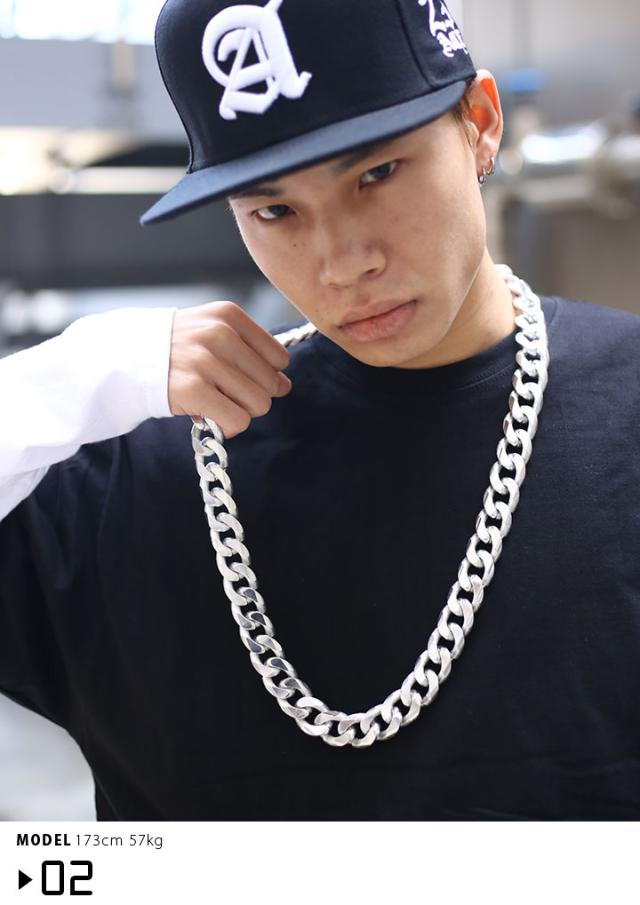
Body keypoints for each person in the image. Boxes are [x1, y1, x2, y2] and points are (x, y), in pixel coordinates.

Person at [1, 0, 639, 821]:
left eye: (377, 174)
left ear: (480, 125)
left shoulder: (624, 407)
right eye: (275, 211)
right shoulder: (136, 475)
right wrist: (72, 378)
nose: (342, 263)